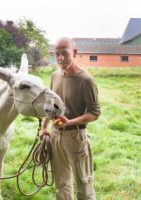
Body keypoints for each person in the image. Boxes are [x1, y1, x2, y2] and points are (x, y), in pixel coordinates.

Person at [40, 37, 101, 200]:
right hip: (55, 136)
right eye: (57, 54)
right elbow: (51, 105)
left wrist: (70, 122)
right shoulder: (54, 76)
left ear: (74, 53)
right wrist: (44, 127)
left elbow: (95, 113)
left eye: (64, 53)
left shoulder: (86, 80)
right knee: (61, 184)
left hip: (76, 137)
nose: (60, 58)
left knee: (84, 186)